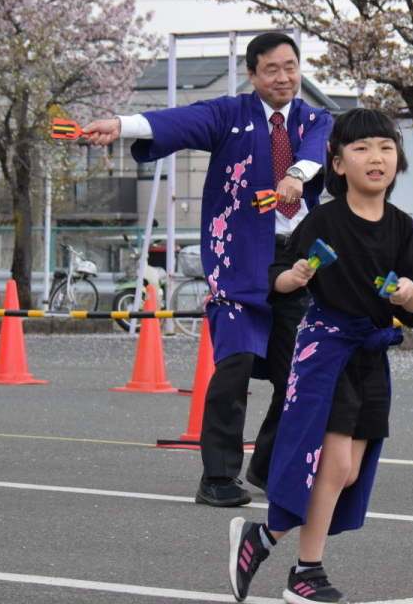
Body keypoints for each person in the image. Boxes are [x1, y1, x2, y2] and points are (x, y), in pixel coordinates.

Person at [82, 33, 332, 507]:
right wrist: (120, 124)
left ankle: (268, 464)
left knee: (298, 374)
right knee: (234, 366)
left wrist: (296, 176)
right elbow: (176, 121)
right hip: (238, 258)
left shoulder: (315, 119)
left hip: (296, 260)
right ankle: (217, 475)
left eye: (291, 67)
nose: (283, 77)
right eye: (272, 69)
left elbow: (315, 155)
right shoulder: (228, 114)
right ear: (253, 75)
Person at [226, 108, 413, 604]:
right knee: (333, 464)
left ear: (398, 159)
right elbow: (277, 276)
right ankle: (306, 572)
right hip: (325, 348)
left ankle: (262, 539)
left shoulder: (403, 227)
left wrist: (407, 293)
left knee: (350, 471)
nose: (376, 157)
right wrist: (294, 276)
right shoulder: (324, 220)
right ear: (337, 163)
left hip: (372, 351)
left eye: (385, 147)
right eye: (361, 149)